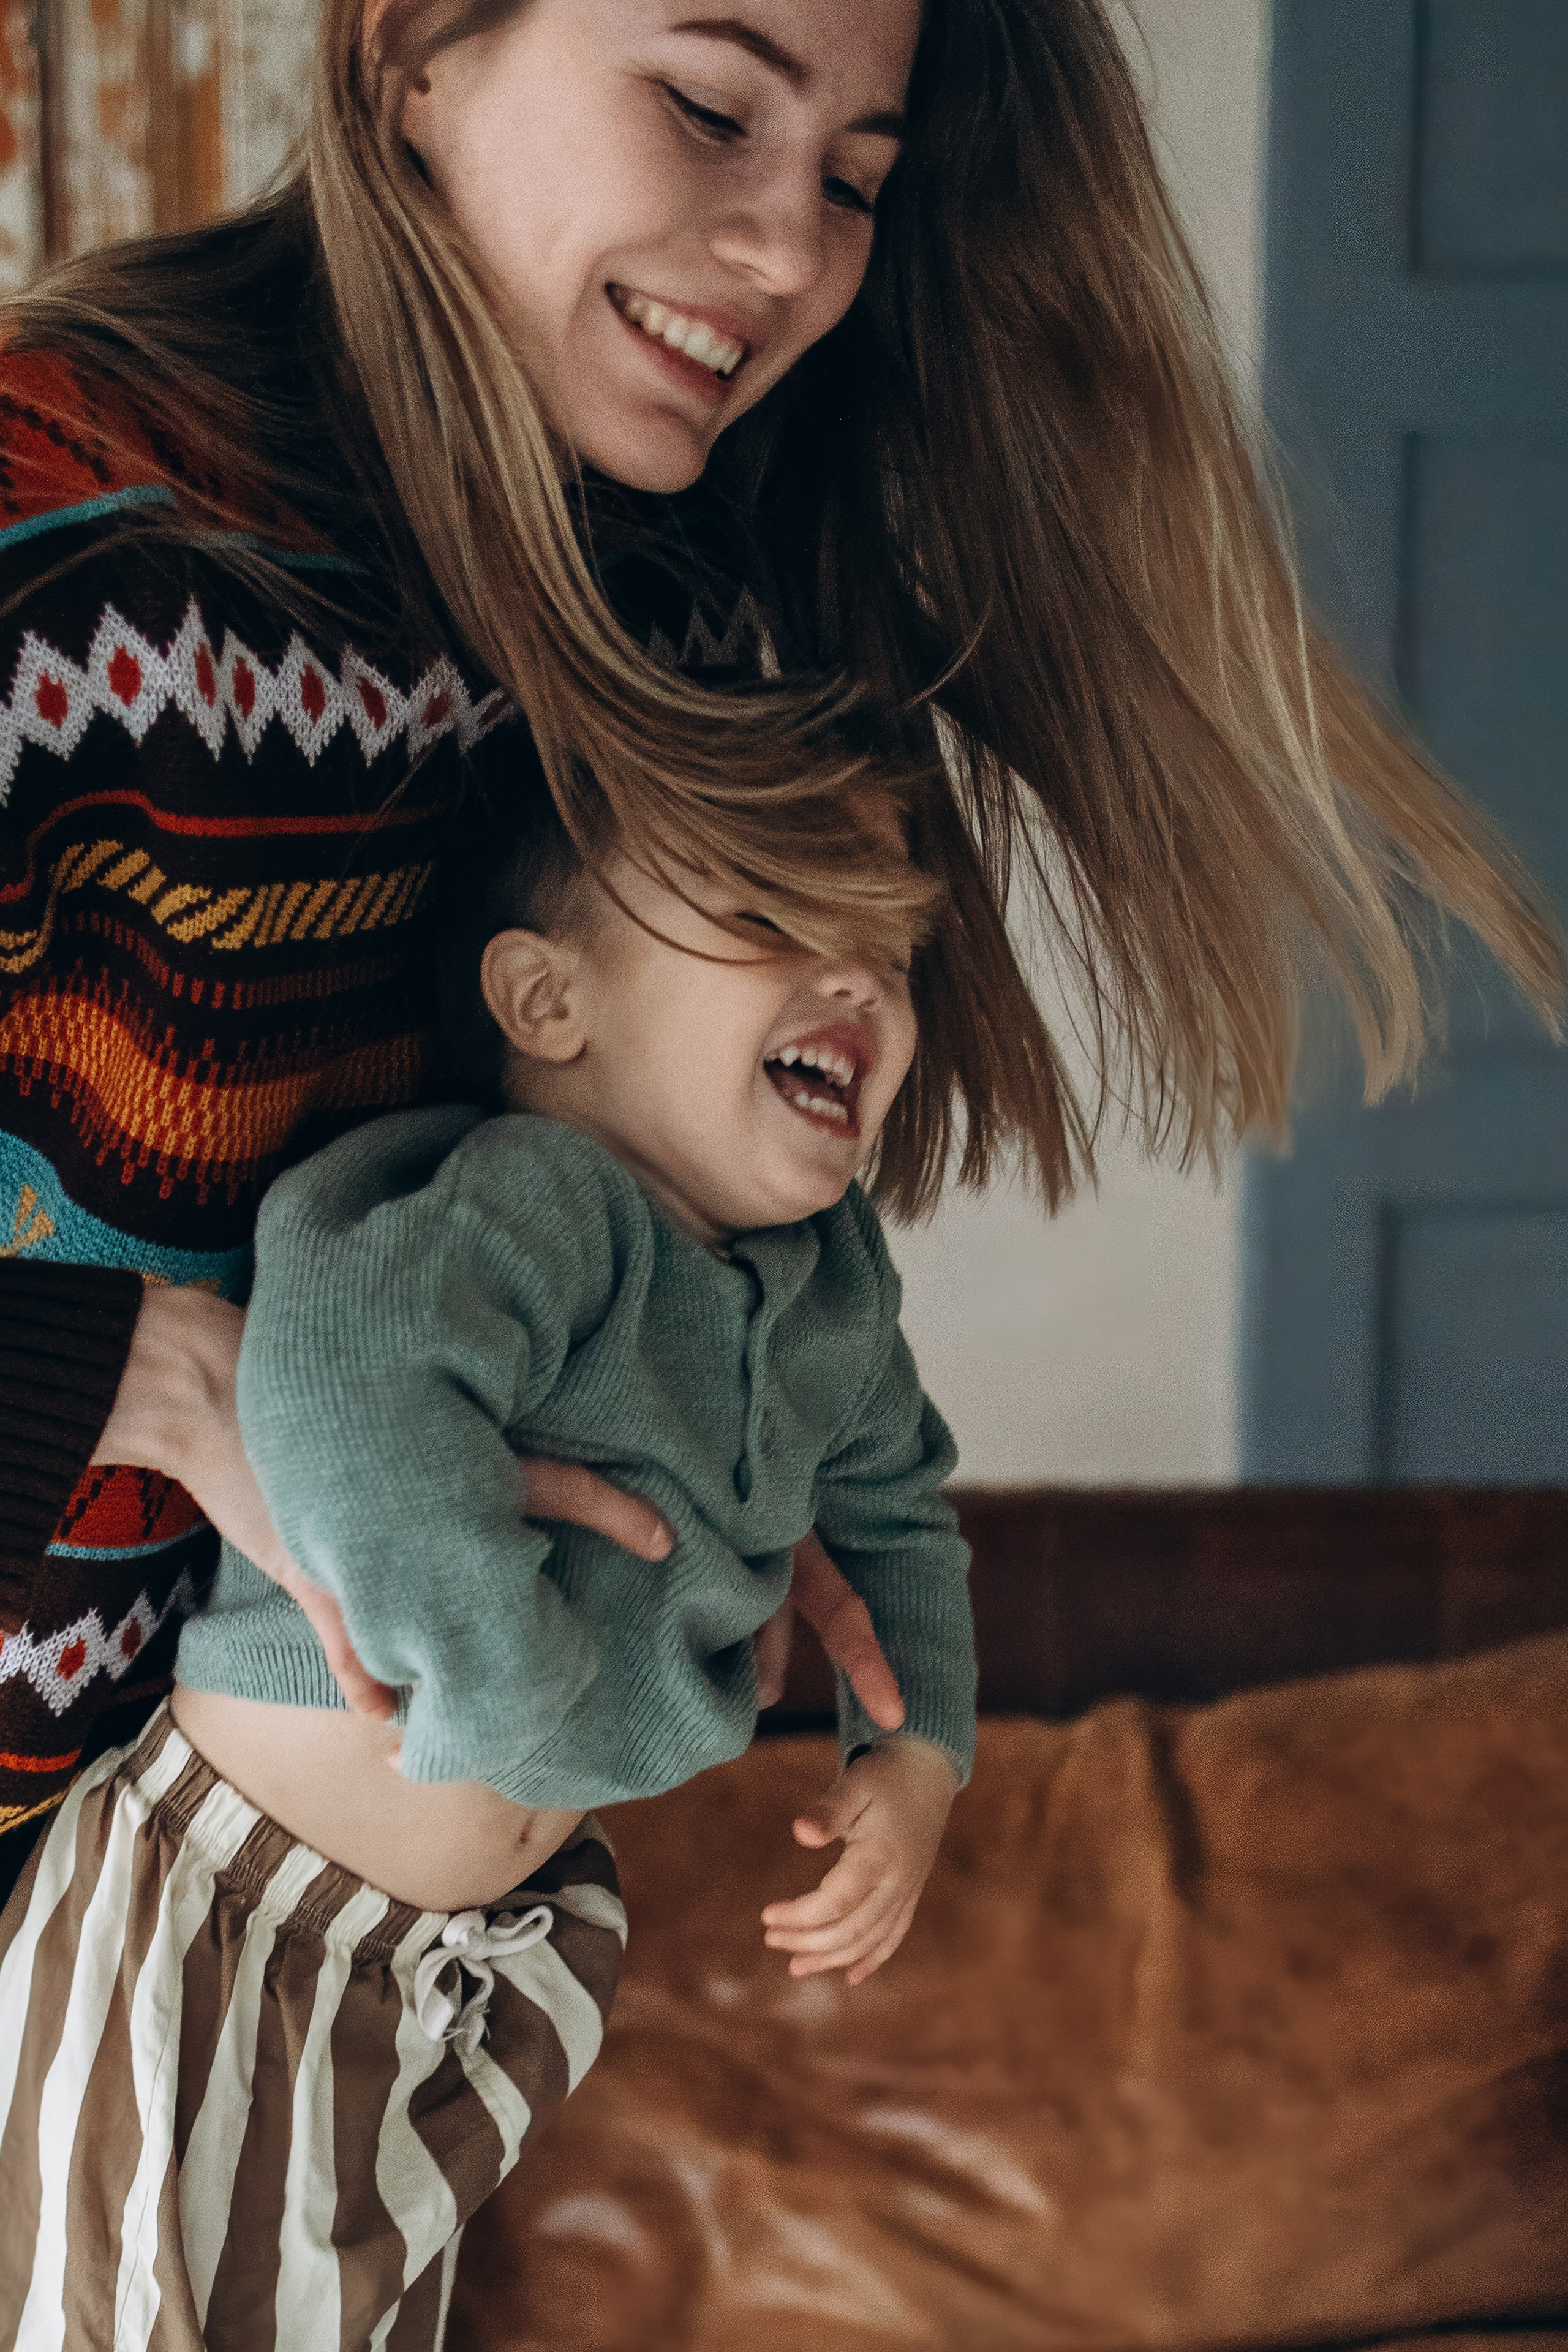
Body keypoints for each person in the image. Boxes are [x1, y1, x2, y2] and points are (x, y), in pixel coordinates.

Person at [0, 0, 1559, 2335]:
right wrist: (123, 1370)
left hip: (359, 1930)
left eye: (856, 175)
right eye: (711, 106)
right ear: (411, 52)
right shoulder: (53, 527)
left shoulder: (639, 610)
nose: (792, 251)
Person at [2, 736, 993, 2339]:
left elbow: (900, 1521)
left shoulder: (835, 1294)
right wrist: (505, 1689)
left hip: (439, 1963)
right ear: (548, 1002)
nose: (859, 979)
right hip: (225, 1917)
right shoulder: (534, 1203)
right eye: (773, 914)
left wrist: (920, 1754)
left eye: (890, 945)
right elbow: (344, 1386)